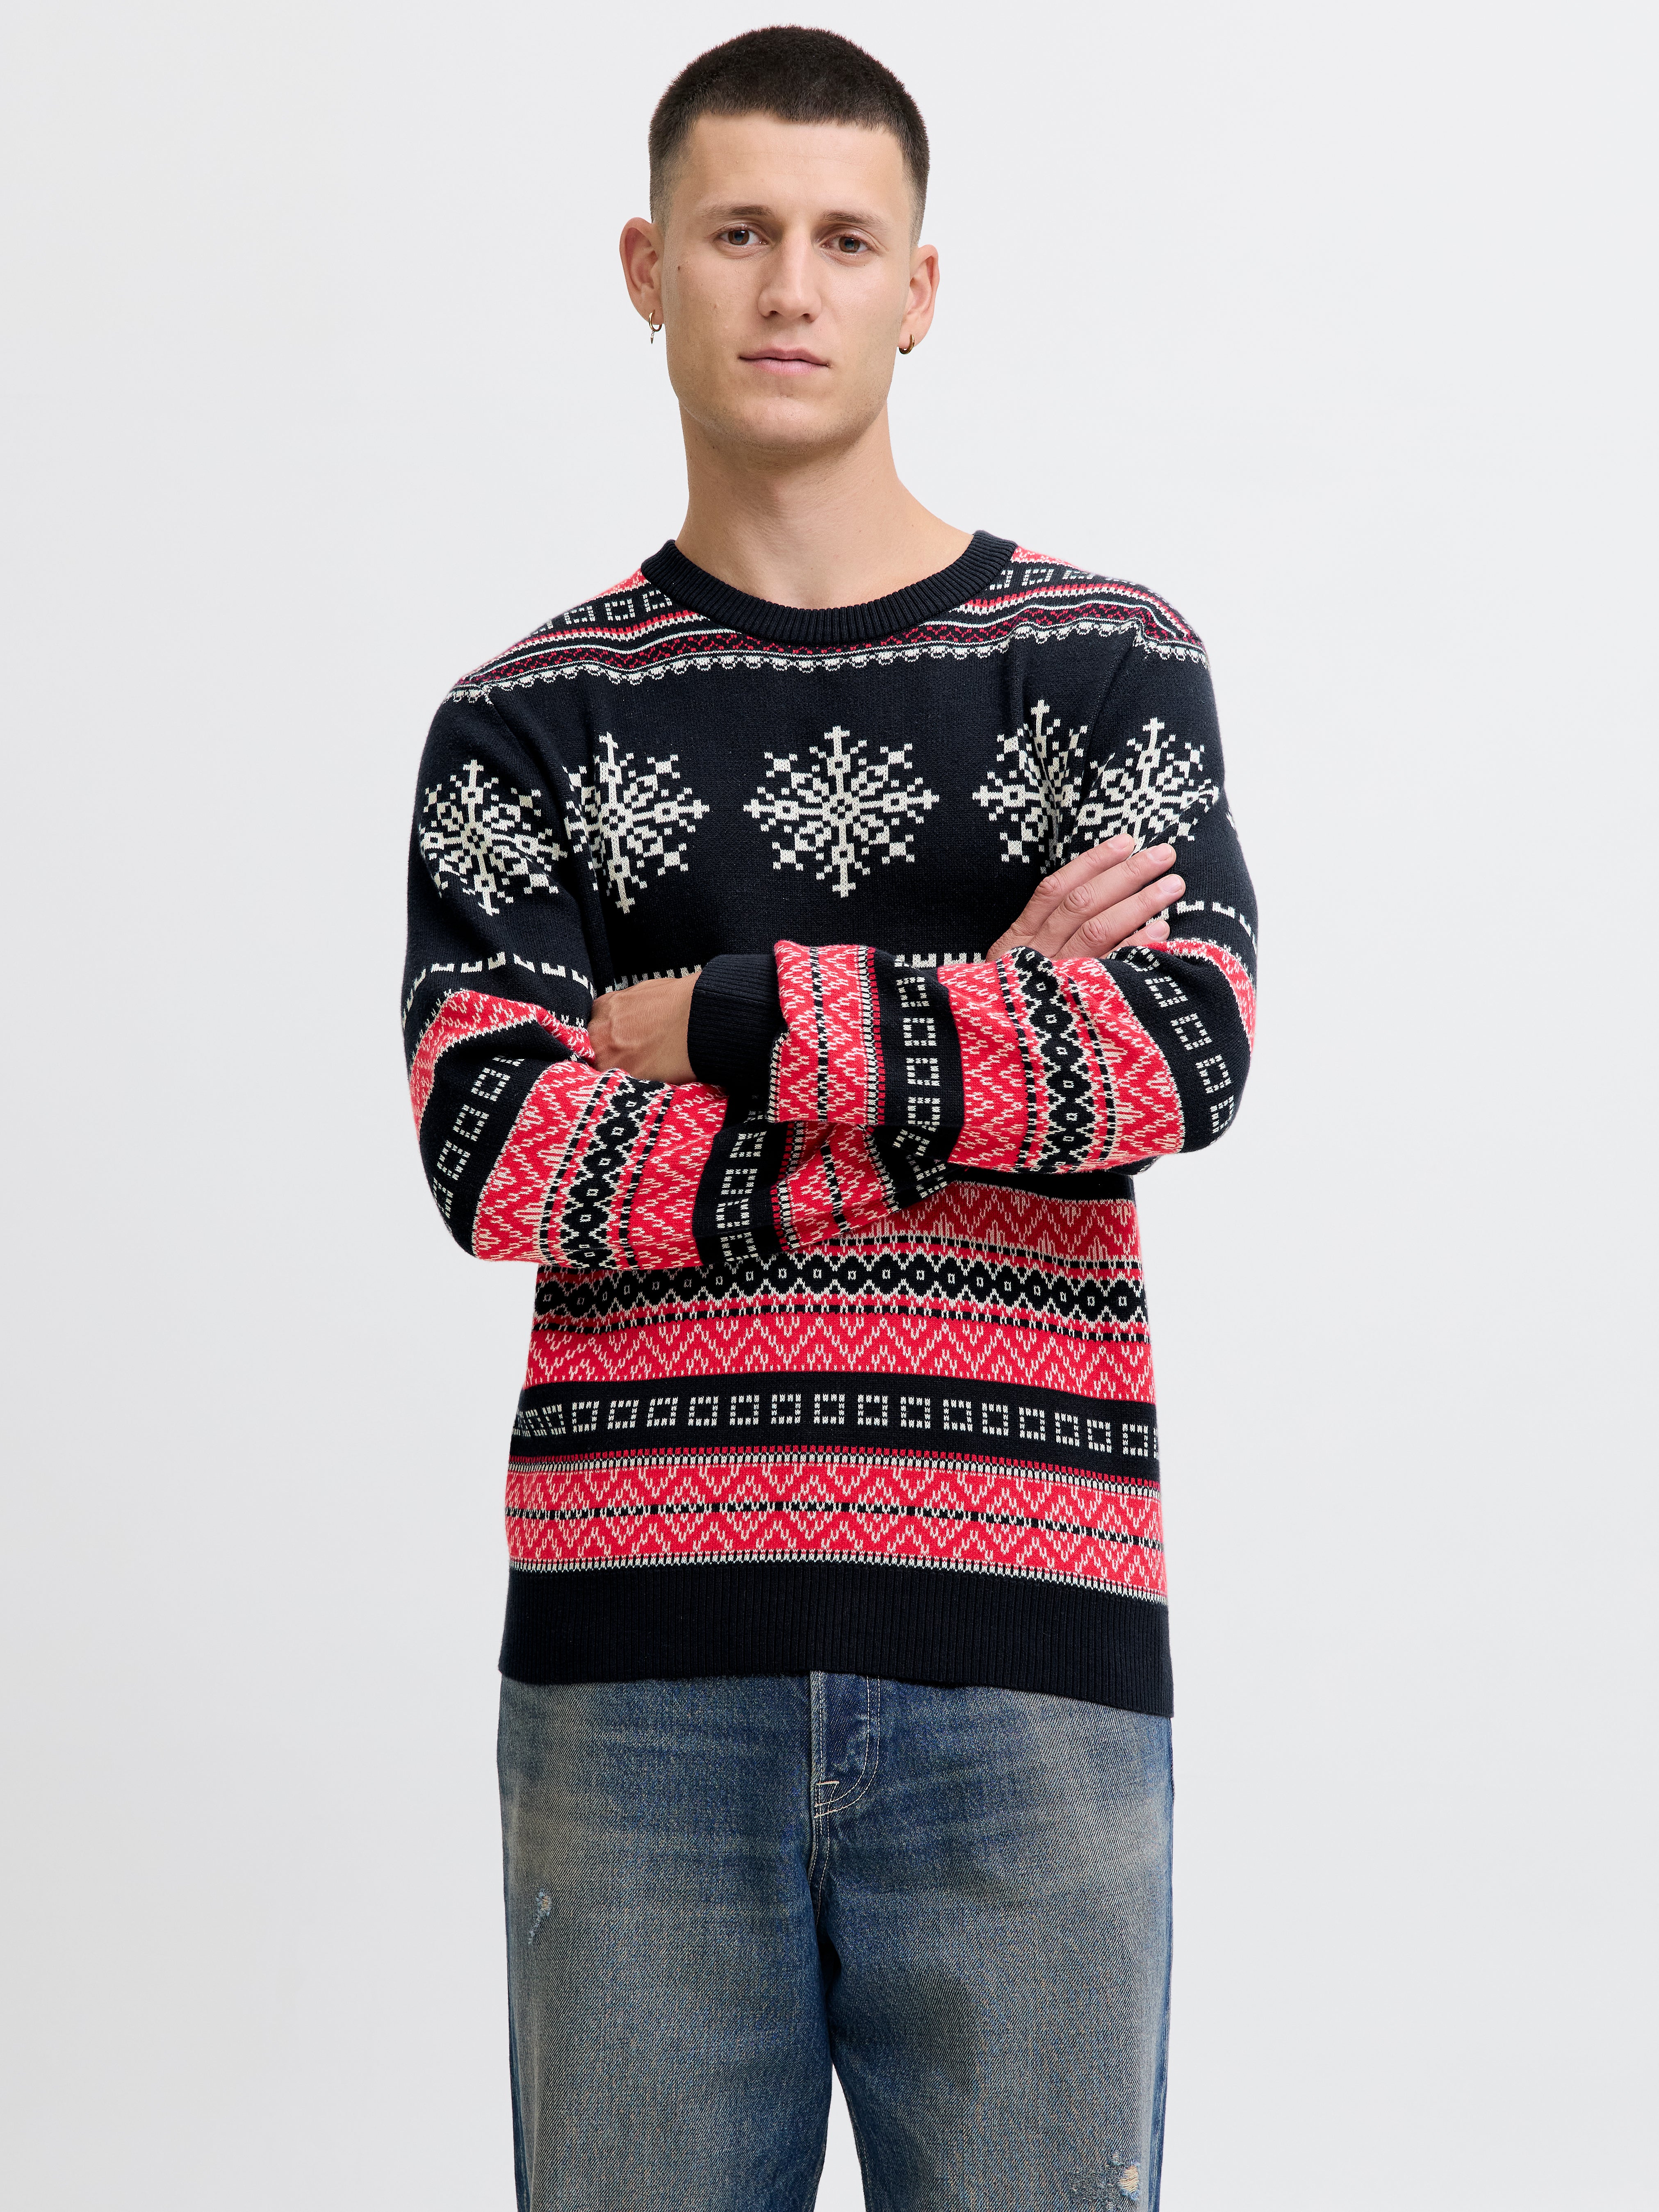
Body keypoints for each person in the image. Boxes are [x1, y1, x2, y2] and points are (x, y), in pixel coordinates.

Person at [401, 27, 1256, 2211]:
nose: (792, 283)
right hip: (635, 1674)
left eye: (846, 239)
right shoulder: (523, 720)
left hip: (1026, 1651)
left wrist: (707, 1014)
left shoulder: (1106, 664)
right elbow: (502, 1155)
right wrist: (978, 1043)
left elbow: (1178, 1053)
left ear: (919, 288)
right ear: (648, 267)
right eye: (740, 231)